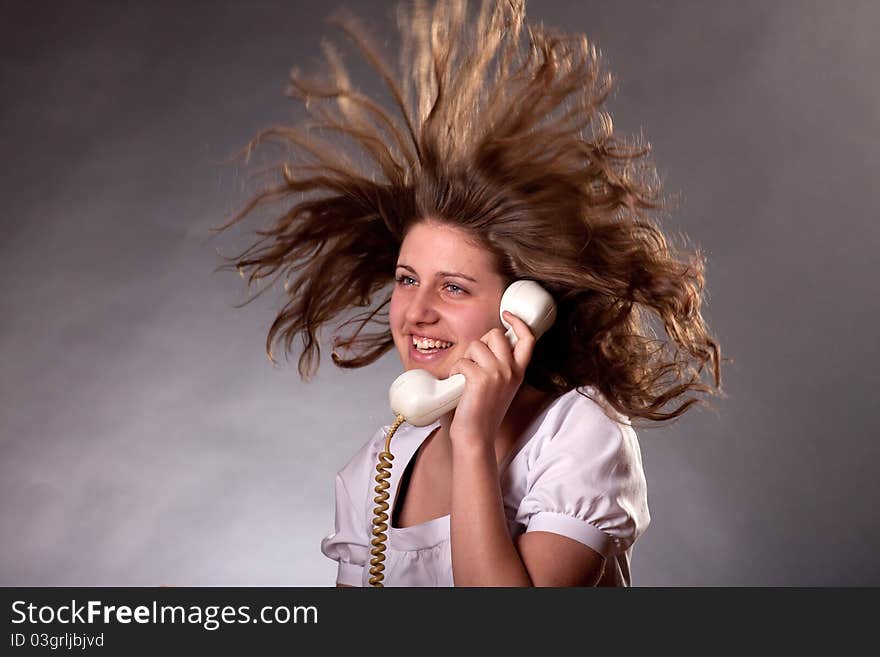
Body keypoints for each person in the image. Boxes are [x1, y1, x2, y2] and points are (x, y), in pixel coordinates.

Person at [214, 0, 723, 586]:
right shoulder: (378, 467)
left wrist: (474, 440)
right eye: (408, 280)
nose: (416, 313)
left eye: (453, 287)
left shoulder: (579, 433)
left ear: (522, 310)